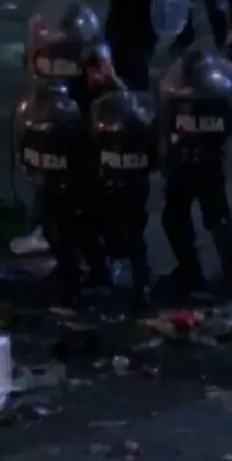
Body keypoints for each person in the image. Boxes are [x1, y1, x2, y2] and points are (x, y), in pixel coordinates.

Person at [158, 51, 232, 294]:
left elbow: (166, 131)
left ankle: (191, 271)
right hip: (210, 167)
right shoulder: (220, 98)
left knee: (176, 219)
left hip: (182, 169)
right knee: (217, 219)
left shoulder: (176, 98)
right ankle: (231, 275)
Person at [16, 82, 107, 293]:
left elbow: (86, 162)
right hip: (50, 188)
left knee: (82, 233)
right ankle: (69, 270)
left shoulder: (73, 127)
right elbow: (26, 157)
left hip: (76, 192)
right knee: (55, 231)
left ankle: (97, 274)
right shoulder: (33, 126)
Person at [89, 87, 156, 310]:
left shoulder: (135, 132)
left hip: (128, 191)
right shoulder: (130, 130)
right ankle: (128, 276)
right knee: (118, 230)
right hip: (121, 190)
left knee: (131, 234)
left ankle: (139, 281)